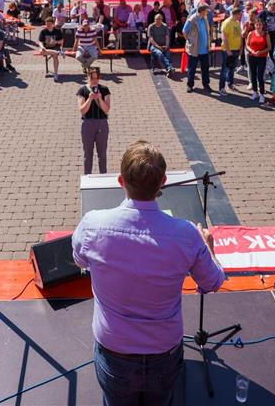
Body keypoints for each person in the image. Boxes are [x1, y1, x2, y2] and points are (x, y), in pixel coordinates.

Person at [73, 140, 224, 404]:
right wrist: (209, 250)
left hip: (114, 353)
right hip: (163, 355)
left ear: (121, 181)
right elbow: (212, 282)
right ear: (162, 182)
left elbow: (79, 261)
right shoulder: (187, 234)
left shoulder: (92, 225)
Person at [77, 67, 111, 174]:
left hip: (102, 123)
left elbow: (106, 109)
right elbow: (82, 110)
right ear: (88, 77)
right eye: (92, 78)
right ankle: (87, 177)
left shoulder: (104, 89)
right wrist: (90, 99)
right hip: (88, 124)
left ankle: (103, 176)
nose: (95, 81)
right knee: (88, 154)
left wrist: (100, 98)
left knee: (102, 154)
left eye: (97, 78)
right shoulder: (82, 90)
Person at [183, 4, 212, 93]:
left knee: (205, 68)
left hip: (204, 49)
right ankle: (190, 85)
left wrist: (208, 44)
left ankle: (206, 84)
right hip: (194, 49)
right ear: (202, 11)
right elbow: (184, 31)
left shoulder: (205, 18)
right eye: (206, 11)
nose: (207, 12)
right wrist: (189, 40)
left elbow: (207, 32)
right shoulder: (192, 19)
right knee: (192, 68)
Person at [218, 5, 242, 94]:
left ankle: (230, 83)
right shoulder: (227, 23)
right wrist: (228, 50)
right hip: (228, 50)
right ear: (236, 14)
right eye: (240, 14)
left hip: (236, 49)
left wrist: (240, 48)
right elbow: (224, 38)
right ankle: (221, 88)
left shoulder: (237, 22)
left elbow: (239, 36)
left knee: (232, 68)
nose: (240, 16)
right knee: (225, 69)